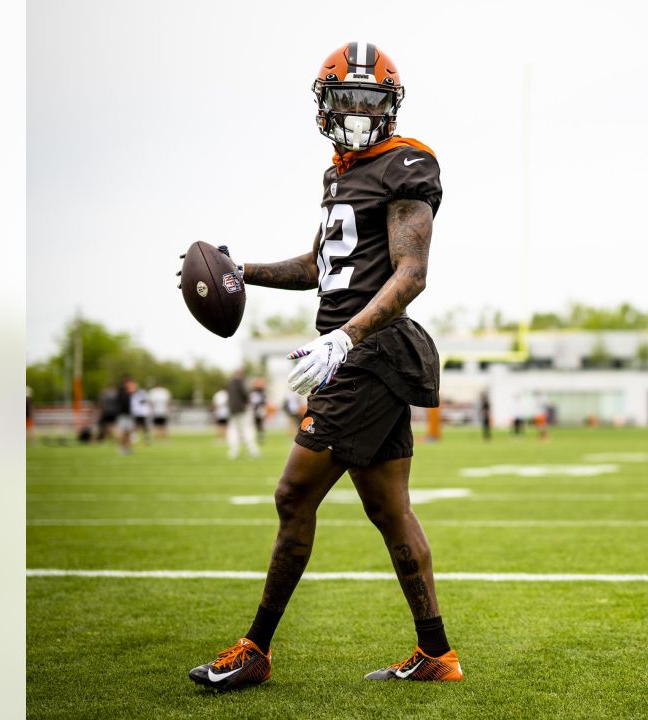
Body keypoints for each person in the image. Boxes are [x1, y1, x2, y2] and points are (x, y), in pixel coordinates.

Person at [184, 41, 460, 690]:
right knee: (391, 511)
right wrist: (238, 268)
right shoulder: (339, 175)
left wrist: (345, 339)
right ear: (326, 106)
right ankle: (437, 654)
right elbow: (316, 268)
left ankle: (256, 648)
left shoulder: (407, 165)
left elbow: (411, 275)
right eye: (346, 99)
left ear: (390, 107)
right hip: (364, 357)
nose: (358, 111)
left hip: (369, 358)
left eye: (370, 99)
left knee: (292, 494)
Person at [225, 369, 260, 460]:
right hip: (242, 409)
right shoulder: (241, 382)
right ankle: (253, 450)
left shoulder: (230, 382)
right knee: (247, 429)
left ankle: (233, 451)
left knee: (233, 430)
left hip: (232, 410)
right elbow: (245, 395)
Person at [116, 375, 135, 455]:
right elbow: (123, 403)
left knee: (128, 432)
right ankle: (122, 448)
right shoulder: (122, 392)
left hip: (129, 415)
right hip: (123, 414)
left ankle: (127, 447)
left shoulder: (129, 392)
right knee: (123, 432)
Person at [250, 377, 269, 445]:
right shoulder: (254, 392)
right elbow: (252, 401)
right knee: (254, 424)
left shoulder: (263, 392)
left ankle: (260, 438)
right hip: (254, 410)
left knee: (261, 424)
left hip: (261, 409)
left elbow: (265, 402)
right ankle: (254, 438)